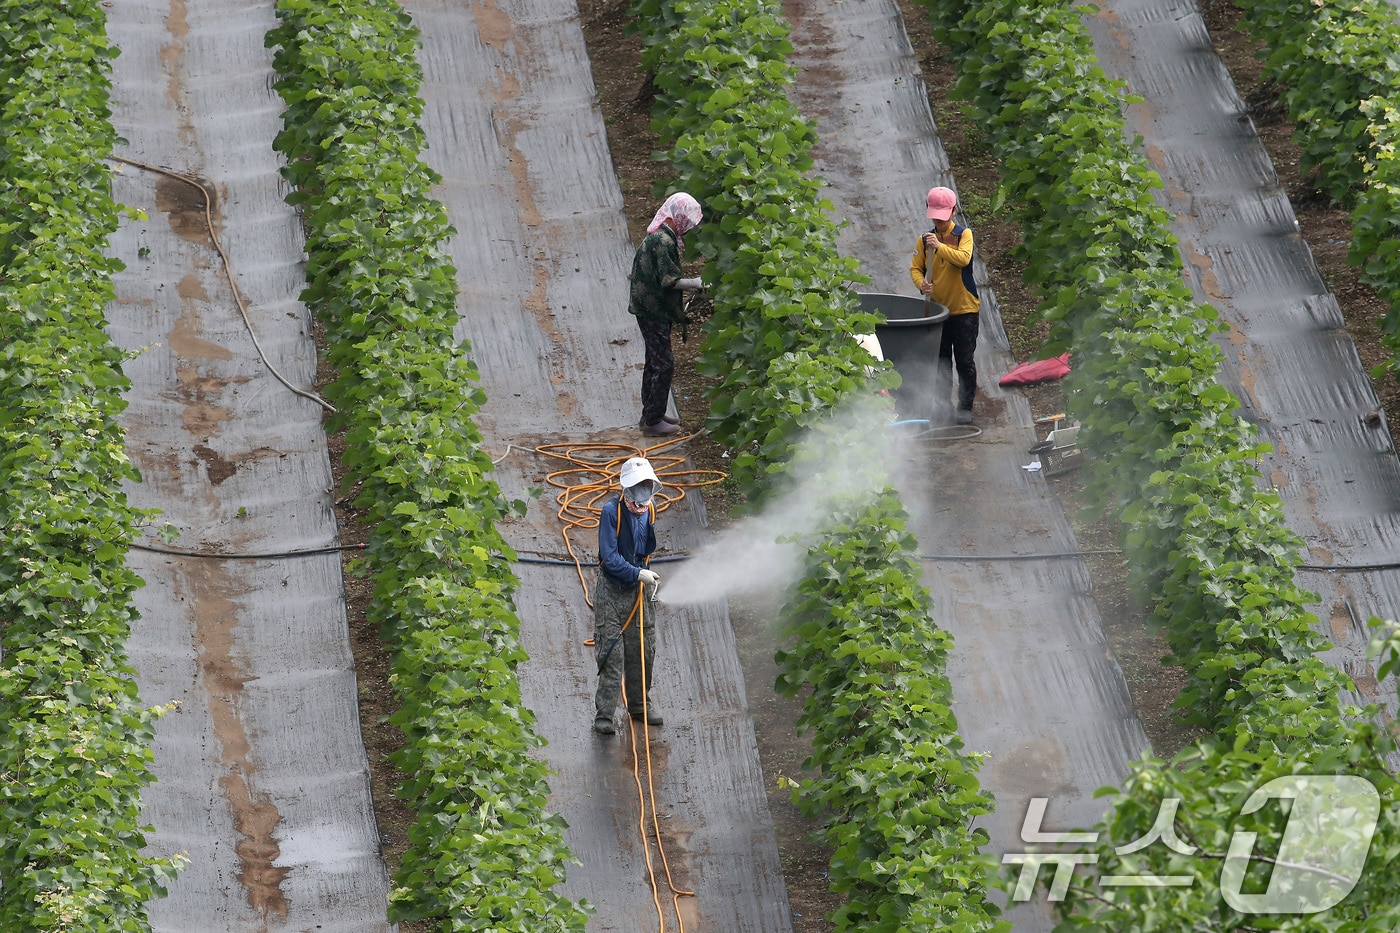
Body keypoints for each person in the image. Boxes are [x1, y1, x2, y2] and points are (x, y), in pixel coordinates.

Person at [593, 457, 666, 735]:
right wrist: (637, 573)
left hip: (640, 591)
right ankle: (604, 715)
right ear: (626, 489)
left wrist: (644, 576)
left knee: (643, 650)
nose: (642, 494)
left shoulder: (650, 510)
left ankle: (640, 706)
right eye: (638, 487)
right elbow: (610, 558)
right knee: (611, 653)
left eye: (646, 486)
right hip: (612, 591)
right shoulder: (611, 512)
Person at [628, 193, 704, 436]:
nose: (688, 229)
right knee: (664, 364)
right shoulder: (663, 242)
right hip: (653, 310)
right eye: (688, 223)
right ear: (679, 217)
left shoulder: (662, 235)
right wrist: (694, 283)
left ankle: (652, 413)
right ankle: (652, 421)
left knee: (654, 361)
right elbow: (668, 280)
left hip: (648, 307)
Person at [910, 186, 981, 424]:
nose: (939, 222)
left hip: (965, 310)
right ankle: (943, 406)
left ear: (953, 211)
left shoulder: (963, 235)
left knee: (964, 360)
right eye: (935, 217)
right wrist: (922, 285)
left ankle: (965, 407)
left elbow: (963, 259)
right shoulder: (924, 241)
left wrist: (940, 247)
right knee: (941, 362)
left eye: (943, 217)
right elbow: (915, 268)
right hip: (938, 313)